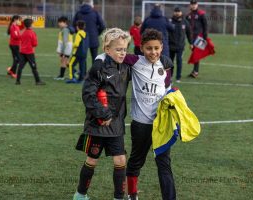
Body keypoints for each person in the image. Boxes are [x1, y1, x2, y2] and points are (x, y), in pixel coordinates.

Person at [73, 28, 131, 200]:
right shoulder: (99, 68)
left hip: (116, 124)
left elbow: (146, 61)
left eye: (125, 49)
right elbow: (88, 94)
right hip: (98, 124)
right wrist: (103, 115)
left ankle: (119, 197)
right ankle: (80, 195)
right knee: (92, 160)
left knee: (120, 160)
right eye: (118, 49)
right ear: (107, 49)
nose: (122, 53)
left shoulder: (126, 66)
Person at [123, 29, 175, 200]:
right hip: (140, 124)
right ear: (141, 48)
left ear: (162, 47)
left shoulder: (166, 64)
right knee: (136, 161)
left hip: (161, 125)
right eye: (149, 48)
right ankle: (132, 195)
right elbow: (113, 55)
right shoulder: (134, 61)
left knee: (164, 164)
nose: (153, 52)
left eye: (156, 48)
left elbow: (167, 87)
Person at [16, 18, 45, 85]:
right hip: (29, 53)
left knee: (20, 66)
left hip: (22, 52)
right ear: (31, 25)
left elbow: (20, 40)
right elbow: (35, 44)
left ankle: (18, 81)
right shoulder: (32, 33)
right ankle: (38, 81)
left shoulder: (23, 32)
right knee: (33, 67)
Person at [169, 7, 192, 83]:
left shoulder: (185, 22)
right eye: (176, 11)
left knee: (179, 61)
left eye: (178, 11)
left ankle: (178, 77)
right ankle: (170, 76)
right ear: (173, 12)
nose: (177, 13)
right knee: (170, 62)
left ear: (181, 12)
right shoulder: (170, 21)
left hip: (180, 46)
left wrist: (191, 43)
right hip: (170, 46)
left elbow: (189, 33)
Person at [186, 0, 208, 78]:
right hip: (191, 38)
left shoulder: (201, 14)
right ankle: (195, 71)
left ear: (197, 4)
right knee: (195, 54)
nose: (193, 5)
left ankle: (195, 72)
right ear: (190, 5)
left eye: (195, 4)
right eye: (192, 4)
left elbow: (205, 26)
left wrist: (205, 38)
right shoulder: (188, 15)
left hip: (200, 37)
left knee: (196, 54)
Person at [54, 16, 73, 80]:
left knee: (63, 61)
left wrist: (63, 52)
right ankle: (76, 72)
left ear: (64, 22)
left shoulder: (65, 30)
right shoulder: (64, 29)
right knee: (66, 62)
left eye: (60, 22)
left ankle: (61, 76)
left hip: (66, 48)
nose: (58, 24)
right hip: (66, 48)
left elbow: (65, 41)